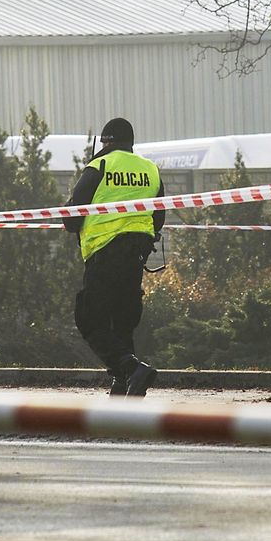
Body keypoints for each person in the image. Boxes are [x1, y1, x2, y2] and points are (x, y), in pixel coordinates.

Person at [63, 118, 164, 397]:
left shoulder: (100, 165)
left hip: (105, 252)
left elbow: (72, 218)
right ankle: (125, 385)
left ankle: (131, 370)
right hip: (136, 255)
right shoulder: (150, 169)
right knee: (122, 320)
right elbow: (160, 216)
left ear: (106, 142)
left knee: (90, 318)